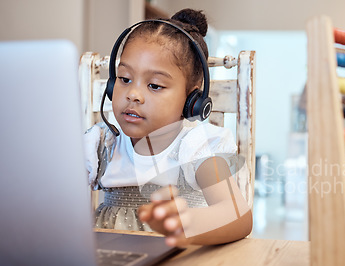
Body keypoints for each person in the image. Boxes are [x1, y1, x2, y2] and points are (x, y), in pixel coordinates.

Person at [84, 9, 252, 247]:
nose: (133, 94)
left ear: (191, 99)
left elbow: (239, 217)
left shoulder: (196, 147)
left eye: (154, 85)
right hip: (108, 263)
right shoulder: (101, 142)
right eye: (124, 79)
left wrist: (184, 224)